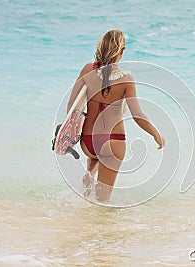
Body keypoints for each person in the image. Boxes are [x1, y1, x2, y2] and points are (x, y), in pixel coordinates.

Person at [67, 29, 164, 202]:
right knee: (103, 199)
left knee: (97, 155)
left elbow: (72, 105)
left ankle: (90, 172)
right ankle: (100, 227)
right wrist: (156, 134)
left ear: (101, 47)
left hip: (87, 143)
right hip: (112, 141)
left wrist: (69, 134)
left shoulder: (88, 69)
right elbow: (137, 115)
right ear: (122, 51)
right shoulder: (126, 78)